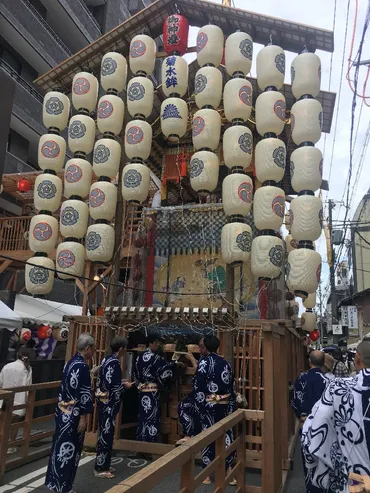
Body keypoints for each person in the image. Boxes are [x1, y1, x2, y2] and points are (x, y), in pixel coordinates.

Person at [302, 339, 370, 492]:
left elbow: (314, 434)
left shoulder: (337, 389)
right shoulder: (333, 383)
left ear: (357, 358)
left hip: (355, 481)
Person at [180, 335, 236, 486]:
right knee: (226, 435)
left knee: (208, 436)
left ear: (206, 348)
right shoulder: (226, 362)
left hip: (209, 405)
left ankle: (206, 475)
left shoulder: (204, 362)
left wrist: (200, 405)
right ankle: (229, 470)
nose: (199, 348)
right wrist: (229, 402)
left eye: (201, 346)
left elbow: (199, 385)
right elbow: (232, 385)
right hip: (224, 404)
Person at [45, 333, 95, 493]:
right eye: (92, 349)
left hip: (62, 412)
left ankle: (54, 483)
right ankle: (64, 487)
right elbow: (84, 395)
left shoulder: (69, 363)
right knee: (70, 449)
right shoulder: (82, 366)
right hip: (74, 414)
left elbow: (64, 389)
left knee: (59, 447)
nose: (93, 352)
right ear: (87, 348)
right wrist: (83, 417)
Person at [94, 336, 132, 479]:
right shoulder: (114, 362)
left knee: (106, 433)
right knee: (106, 434)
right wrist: (125, 385)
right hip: (108, 403)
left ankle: (104, 464)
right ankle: (100, 468)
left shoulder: (106, 359)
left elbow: (107, 381)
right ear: (121, 349)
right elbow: (114, 387)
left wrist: (120, 382)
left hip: (103, 401)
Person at [134, 334, 181, 443]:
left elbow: (135, 375)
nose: (157, 345)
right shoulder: (155, 358)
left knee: (142, 417)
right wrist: (175, 363)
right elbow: (165, 370)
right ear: (151, 344)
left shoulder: (138, 357)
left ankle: (140, 442)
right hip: (152, 392)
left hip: (142, 391)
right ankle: (150, 442)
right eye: (156, 343)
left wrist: (138, 385)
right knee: (152, 417)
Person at [291, 350, 326, 493]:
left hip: (306, 425)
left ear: (309, 362)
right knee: (324, 459)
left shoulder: (301, 378)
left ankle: (310, 488)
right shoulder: (328, 381)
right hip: (325, 427)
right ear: (323, 363)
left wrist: (300, 415)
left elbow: (294, 400)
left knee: (308, 460)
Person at [0, 347, 32, 454]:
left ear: (17, 355)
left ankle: (2, 444)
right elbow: (28, 387)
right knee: (14, 425)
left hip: (4, 400)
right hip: (20, 400)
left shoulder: (7, 366)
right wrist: (27, 401)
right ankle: (10, 446)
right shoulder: (27, 369)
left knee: (4, 423)